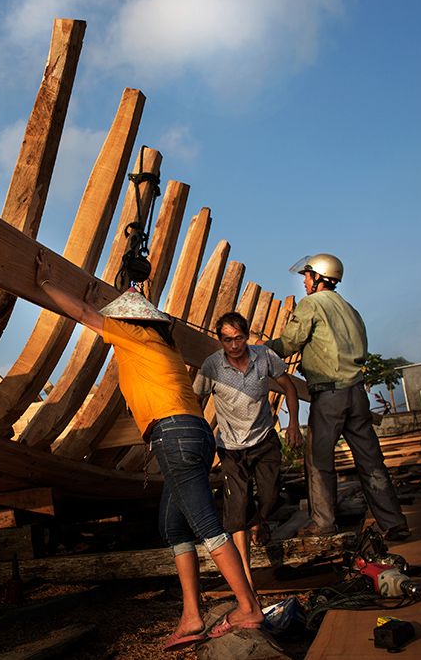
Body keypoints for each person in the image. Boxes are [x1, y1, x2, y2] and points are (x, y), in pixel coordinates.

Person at [35, 250, 264, 651]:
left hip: (173, 434)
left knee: (206, 526)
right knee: (173, 527)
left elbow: (86, 314)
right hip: (193, 433)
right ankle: (192, 617)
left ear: (130, 319)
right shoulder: (164, 345)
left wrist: (45, 283)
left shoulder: (131, 334)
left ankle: (248, 606)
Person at [263, 254, 410, 540]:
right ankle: (394, 522)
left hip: (329, 395)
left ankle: (322, 523)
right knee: (370, 461)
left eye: (307, 276)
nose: (304, 282)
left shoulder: (311, 304)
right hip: (357, 394)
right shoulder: (350, 310)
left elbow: (290, 343)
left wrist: (261, 348)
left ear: (319, 278)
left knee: (318, 460)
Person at [193, 311, 302, 592]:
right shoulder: (212, 366)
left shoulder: (264, 356)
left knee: (270, 496)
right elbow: (195, 400)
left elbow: (288, 387)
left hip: (264, 439)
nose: (234, 345)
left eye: (239, 338)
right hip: (230, 448)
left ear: (247, 336)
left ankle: (260, 522)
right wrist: (197, 433)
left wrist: (293, 425)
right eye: (227, 340)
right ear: (220, 341)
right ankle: (248, 579)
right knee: (237, 509)